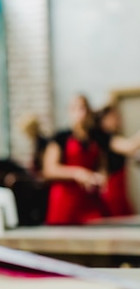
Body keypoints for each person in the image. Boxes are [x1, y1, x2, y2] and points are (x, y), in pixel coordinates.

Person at [42, 94, 108, 225]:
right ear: (69, 111)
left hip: (89, 200)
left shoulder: (95, 139)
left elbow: (102, 166)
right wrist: (78, 173)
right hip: (65, 201)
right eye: (75, 108)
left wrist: (100, 177)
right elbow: (49, 170)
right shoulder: (61, 137)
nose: (80, 113)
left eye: (83, 108)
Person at [95, 102, 140, 216]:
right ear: (104, 119)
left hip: (121, 190)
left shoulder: (116, 137)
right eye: (115, 116)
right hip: (111, 191)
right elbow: (130, 146)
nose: (119, 119)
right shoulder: (105, 138)